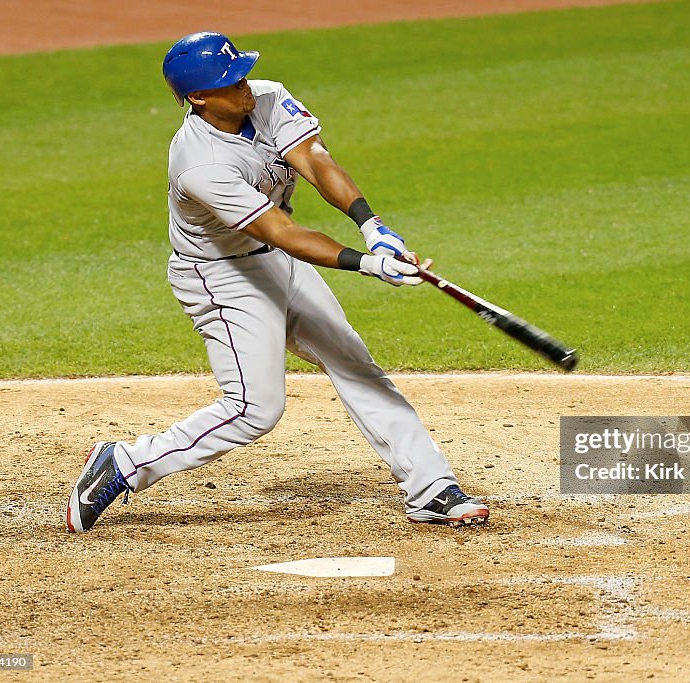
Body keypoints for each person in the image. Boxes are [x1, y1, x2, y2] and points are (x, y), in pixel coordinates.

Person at [65, 31, 488, 533]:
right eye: (228, 81)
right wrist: (368, 265)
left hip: (278, 262)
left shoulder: (265, 95)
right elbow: (282, 231)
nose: (243, 84)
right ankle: (126, 463)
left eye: (240, 71)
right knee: (253, 410)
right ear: (198, 98)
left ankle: (431, 489)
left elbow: (313, 158)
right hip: (222, 277)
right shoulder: (200, 163)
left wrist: (372, 227)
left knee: (353, 362)